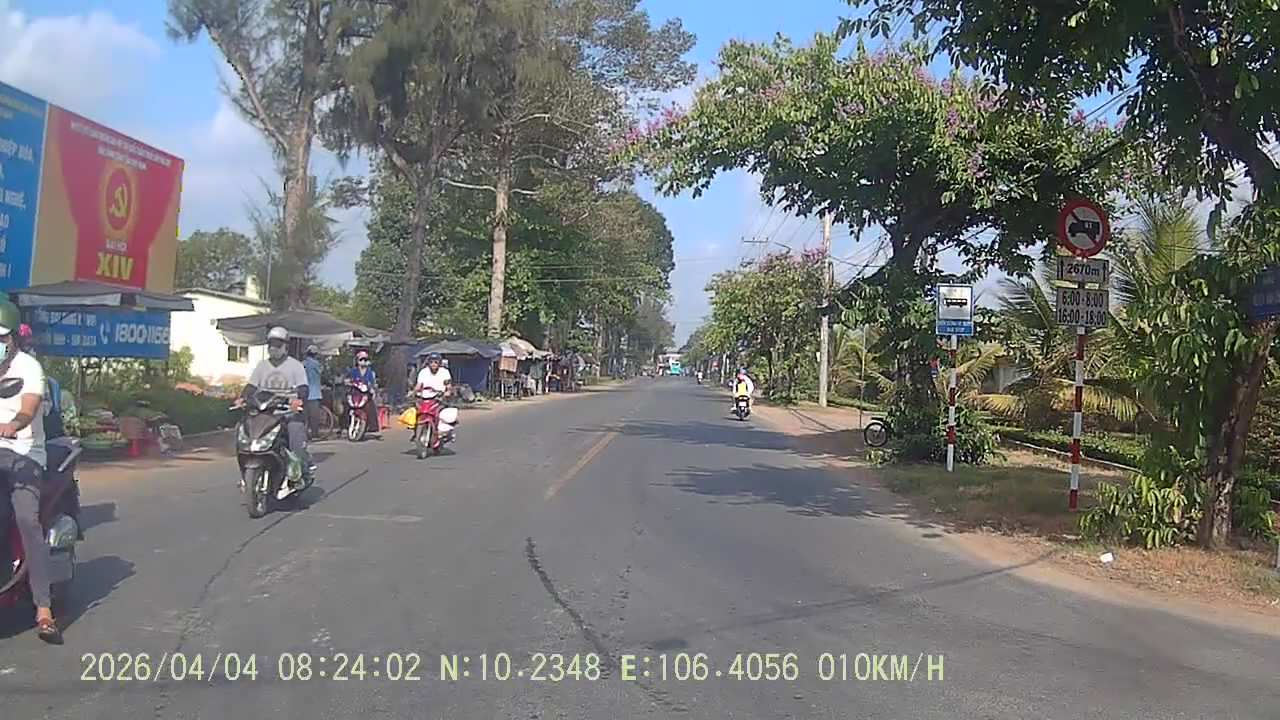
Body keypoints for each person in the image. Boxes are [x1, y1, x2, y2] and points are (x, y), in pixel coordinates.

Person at [0, 302, 60, 643]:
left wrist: (14, 425)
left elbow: (28, 407)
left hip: (24, 454)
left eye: (1, 338)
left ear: (13, 339)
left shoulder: (29, 367)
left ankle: (43, 608)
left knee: (26, 519)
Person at [238, 327, 314, 484]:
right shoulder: (262, 366)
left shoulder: (295, 366)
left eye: (278, 345)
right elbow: (251, 386)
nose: (273, 348)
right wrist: (242, 398)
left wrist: (298, 400)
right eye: (271, 344)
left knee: (295, 435)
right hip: (265, 412)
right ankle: (245, 473)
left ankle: (301, 471)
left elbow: (303, 388)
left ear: (286, 346)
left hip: (287, 412)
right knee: (243, 431)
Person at [344, 349, 380, 433]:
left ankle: (373, 427)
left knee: (371, 407)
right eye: (361, 359)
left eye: (365, 359)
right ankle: (344, 426)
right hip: (355, 393)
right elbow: (348, 379)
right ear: (357, 361)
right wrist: (348, 382)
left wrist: (372, 389)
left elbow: (372, 383)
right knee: (346, 406)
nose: (363, 361)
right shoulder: (353, 371)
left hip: (366, 393)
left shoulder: (370, 372)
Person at [302, 345, 324, 440]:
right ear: (315, 354)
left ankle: (304, 434)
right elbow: (321, 372)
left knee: (304, 416)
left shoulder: (302, 363)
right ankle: (314, 434)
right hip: (314, 393)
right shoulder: (316, 364)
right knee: (314, 417)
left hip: (303, 393)